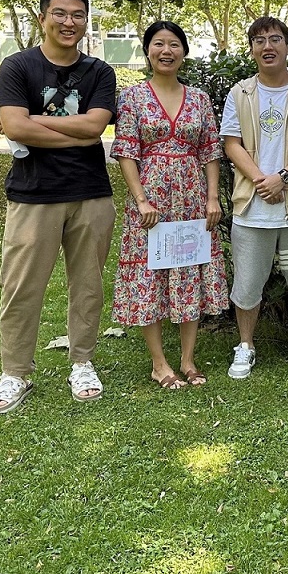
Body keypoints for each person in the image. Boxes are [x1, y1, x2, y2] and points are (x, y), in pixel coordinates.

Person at [0, 0, 117, 413]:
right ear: (42, 18)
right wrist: (69, 133)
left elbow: (95, 127)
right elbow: (14, 127)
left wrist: (36, 124)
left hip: (91, 194)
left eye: (78, 15)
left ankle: (82, 362)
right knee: (21, 287)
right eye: (59, 14)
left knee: (88, 286)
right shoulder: (17, 66)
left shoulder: (99, 71)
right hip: (33, 195)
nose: (68, 22)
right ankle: (15, 373)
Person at [110, 21, 228, 389]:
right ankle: (159, 364)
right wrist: (141, 200)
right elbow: (126, 151)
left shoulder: (199, 99)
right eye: (159, 44)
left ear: (183, 52)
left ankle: (188, 360)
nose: (166, 51)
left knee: (188, 268)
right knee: (151, 274)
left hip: (193, 200)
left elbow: (210, 150)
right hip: (151, 204)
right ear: (147, 51)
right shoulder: (132, 98)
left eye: (174, 44)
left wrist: (212, 197)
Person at [222, 16, 288, 380]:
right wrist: (259, 180)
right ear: (251, 49)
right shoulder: (240, 93)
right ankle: (246, 345)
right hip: (252, 206)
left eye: (275, 39)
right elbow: (231, 143)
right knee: (248, 283)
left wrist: (282, 177)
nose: (268, 46)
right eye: (259, 40)